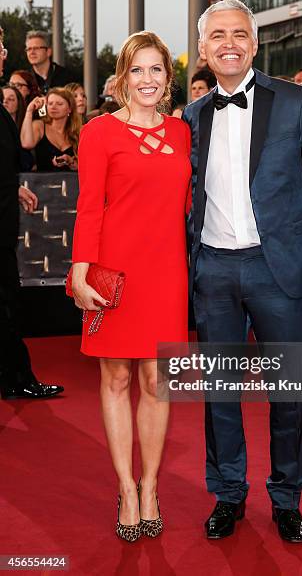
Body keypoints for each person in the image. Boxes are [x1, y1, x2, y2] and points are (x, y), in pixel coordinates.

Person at [183, 0, 302, 543]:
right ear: (204, 49)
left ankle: (286, 497)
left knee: (287, 395)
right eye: (217, 36)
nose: (229, 43)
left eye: (239, 34)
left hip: (282, 271)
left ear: (255, 43)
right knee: (220, 394)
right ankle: (228, 493)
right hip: (214, 272)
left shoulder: (297, 103)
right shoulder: (192, 116)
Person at [70, 31, 191, 542]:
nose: (147, 79)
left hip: (166, 271)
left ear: (168, 79)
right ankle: (124, 487)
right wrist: (80, 269)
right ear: (122, 78)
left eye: (156, 70)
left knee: (156, 383)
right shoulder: (99, 132)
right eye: (137, 70)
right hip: (113, 271)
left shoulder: (183, 133)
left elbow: (188, 205)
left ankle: (150, 486)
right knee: (116, 380)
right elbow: (90, 205)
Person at [0, 26, 64, 400]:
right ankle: (18, 377)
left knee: (7, 303)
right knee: (7, 304)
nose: (5, 53)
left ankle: (15, 376)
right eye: (1, 47)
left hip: (5, 221)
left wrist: (14, 187)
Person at [20, 87, 80, 172]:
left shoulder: (78, 132)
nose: (53, 107)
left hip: (72, 182)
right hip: (43, 183)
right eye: (50, 103)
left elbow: (85, 166)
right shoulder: (39, 125)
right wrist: (29, 111)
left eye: (59, 104)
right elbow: (27, 144)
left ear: (70, 108)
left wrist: (69, 161)